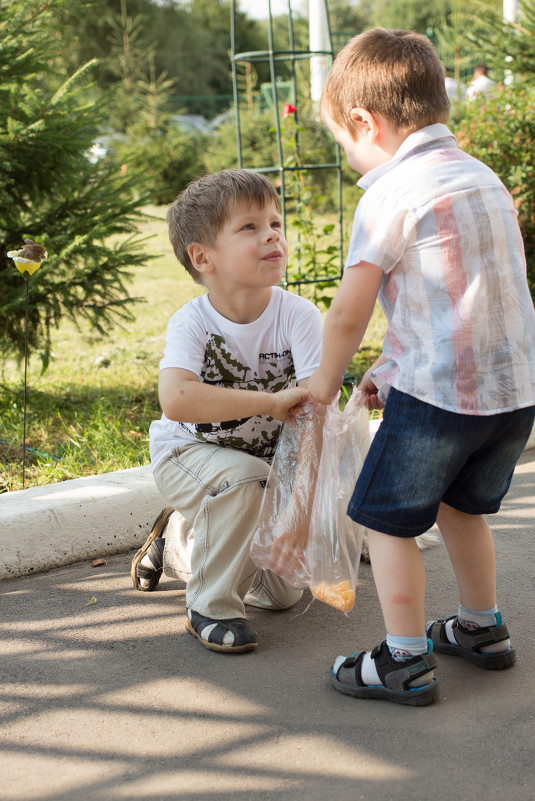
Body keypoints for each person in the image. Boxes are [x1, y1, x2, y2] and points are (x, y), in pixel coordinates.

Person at [306, 28, 535, 705]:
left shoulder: (389, 194)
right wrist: (390, 362)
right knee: (461, 507)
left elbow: (348, 311)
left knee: (387, 520)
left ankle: (402, 658)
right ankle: (479, 627)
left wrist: (324, 385)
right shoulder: (481, 178)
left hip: (438, 399)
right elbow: (461, 302)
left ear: (363, 122)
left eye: (344, 143)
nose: (351, 159)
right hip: (511, 392)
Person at [131, 168, 323, 654]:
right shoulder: (192, 322)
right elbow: (178, 399)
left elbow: (317, 419)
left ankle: (179, 540)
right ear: (203, 257)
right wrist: (270, 403)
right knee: (246, 480)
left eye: (276, 223)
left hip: (261, 473)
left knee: (282, 592)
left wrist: (300, 515)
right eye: (249, 227)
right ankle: (211, 607)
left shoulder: (299, 317)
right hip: (188, 456)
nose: (272, 235)